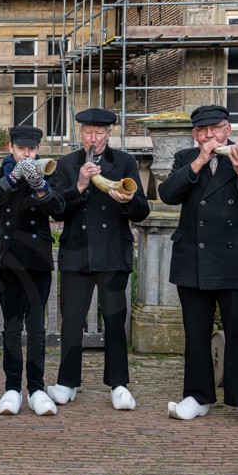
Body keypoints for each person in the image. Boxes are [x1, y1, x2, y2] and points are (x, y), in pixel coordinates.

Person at [158, 104, 238, 429]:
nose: (209, 135)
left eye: (215, 129)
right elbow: (167, 194)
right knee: (196, 333)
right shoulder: (185, 158)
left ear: (228, 130)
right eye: (202, 130)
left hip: (236, 259)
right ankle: (198, 397)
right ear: (195, 134)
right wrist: (198, 162)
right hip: (193, 260)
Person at [47, 108, 149, 411]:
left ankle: (119, 384)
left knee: (115, 321)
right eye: (88, 133)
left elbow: (142, 210)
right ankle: (67, 382)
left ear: (109, 133)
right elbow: (55, 209)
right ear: (81, 134)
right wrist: (80, 184)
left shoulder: (125, 162)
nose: (93, 138)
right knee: (71, 321)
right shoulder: (67, 164)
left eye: (99, 133)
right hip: (76, 254)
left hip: (113, 252)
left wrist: (128, 201)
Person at [0, 125, 65, 416]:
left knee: (37, 327)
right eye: (21, 149)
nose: (26, 155)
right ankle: (12, 387)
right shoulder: (0, 174)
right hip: (9, 259)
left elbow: (60, 209)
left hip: (37, 259)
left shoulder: (49, 172)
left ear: (38, 149)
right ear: (11, 149)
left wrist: (41, 187)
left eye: (31, 150)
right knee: (12, 327)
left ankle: (37, 388)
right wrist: (13, 179)